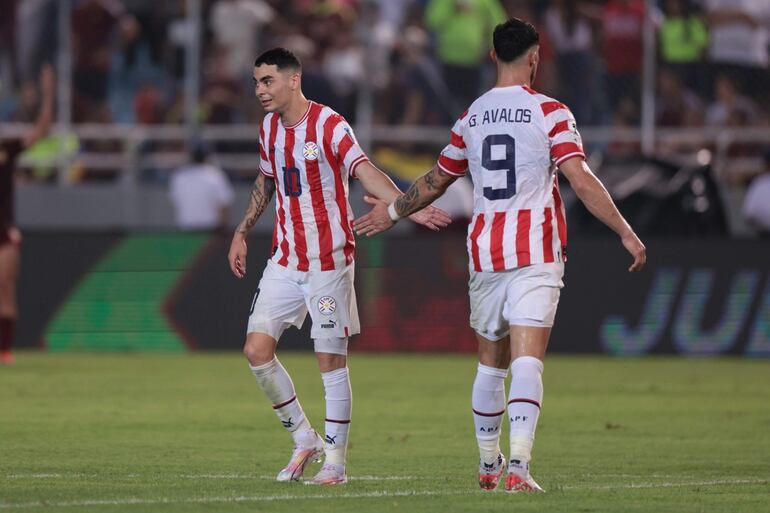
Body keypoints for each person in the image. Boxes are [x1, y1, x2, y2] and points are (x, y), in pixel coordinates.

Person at [354, 18, 646, 493]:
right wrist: (626, 231)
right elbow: (580, 178)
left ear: (492, 56)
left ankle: (490, 465)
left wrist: (392, 210)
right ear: (535, 57)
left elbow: (437, 179)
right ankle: (520, 469)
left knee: (491, 363)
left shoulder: (471, 116)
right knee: (528, 360)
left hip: (486, 252)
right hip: (535, 250)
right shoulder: (551, 112)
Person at [227, 48, 450, 485]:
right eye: (256, 82)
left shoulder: (329, 125)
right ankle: (303, 439)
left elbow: (364, 171)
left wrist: (404, 206)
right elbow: (266, 179)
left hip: (328, 268)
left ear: (294, 80)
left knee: (329, 360)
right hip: (284, 263)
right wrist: (241, 229)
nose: (260, 90)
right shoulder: (270, 128)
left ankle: (336, 465)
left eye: (268, 80)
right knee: (256, 350)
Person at [0, 63, 54, 365]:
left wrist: (48, 94)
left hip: (4, 230)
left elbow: (42, 130)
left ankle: (5, 350)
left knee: (5, 286)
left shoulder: (7, 148)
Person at [169, 143, 234, 232]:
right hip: (209, 231)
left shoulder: (179, 176)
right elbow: (224, 206)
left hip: (186, 229)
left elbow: (176, 200)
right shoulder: (215, 175)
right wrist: (223, 231)